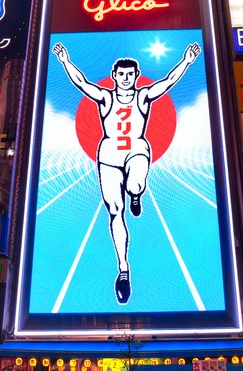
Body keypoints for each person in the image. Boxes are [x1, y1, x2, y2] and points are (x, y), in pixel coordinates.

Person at [52, 41, 201, 304]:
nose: (125, 78)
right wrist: (65, 61)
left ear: (135, 76)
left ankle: (136, 193)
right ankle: (123, 269)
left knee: (134, 184)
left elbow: (167, 82)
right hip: (109, 155)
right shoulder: (105, 97)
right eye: (121, 74)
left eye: (130, 74)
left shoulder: (143, 96)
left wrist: (186, 61)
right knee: (114, 211)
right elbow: (82, 83)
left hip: (136, 149)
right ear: (114, 77)